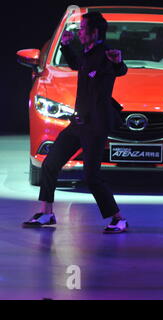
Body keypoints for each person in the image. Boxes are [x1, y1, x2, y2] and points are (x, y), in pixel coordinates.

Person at [22, 12, 129, 234]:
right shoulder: (87, 54)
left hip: (95, 126)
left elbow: (118, 70)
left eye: (82, 29)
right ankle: (47, 213)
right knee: (50, 164)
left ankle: (118, 218)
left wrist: (119, 64)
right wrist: (64, 45)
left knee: (91, 176)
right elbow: (76, 63)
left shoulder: (106, 55)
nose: (79, 32)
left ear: (95, 33)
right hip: (78, 123)